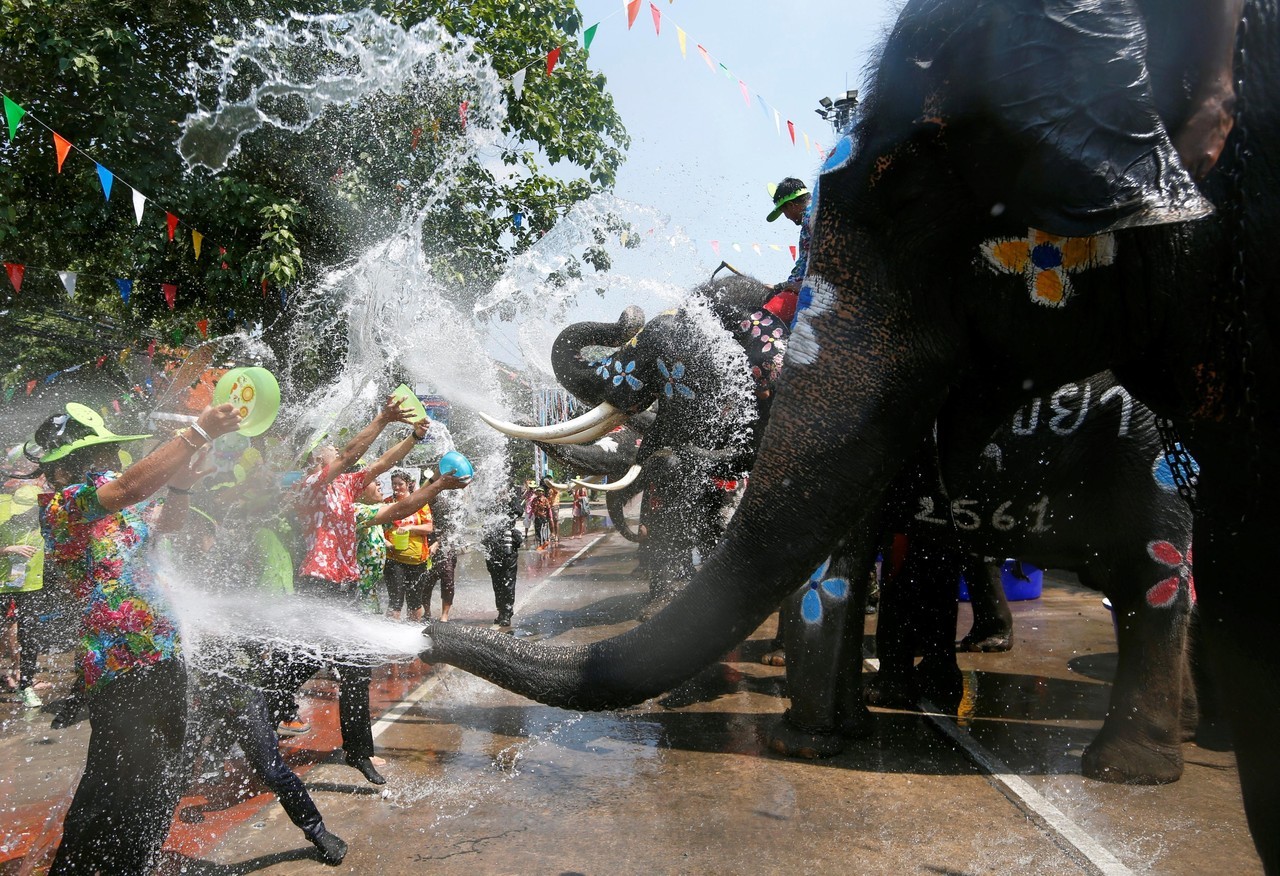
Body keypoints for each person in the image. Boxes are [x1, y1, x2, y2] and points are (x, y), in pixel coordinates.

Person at [30, 400, 241, 876]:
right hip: (118, 664)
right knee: (111, 781)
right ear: (67, 467)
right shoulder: (62, 508)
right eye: (94, 459)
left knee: (161, 777)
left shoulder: (116, 510)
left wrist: (184, 485)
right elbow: (129, 487)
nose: (106, 466)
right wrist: (198, 432)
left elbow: (167, 523)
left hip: (163, 654)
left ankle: (135, 863)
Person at [271, 399, 423, 785]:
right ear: (315, 461)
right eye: (332, 451)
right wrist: (382, 418)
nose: (340, 453)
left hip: (347, 587)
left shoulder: (345, 486)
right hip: (317, 587)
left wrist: (413, 437)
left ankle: (359, 753)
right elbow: (357, 452)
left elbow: (378, 464)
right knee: (300, 664)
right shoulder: (310, 487)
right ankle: (256, 719)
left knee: (356, 670)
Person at [2, 484, 49, 709]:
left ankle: (26, 684)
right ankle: (8, 675)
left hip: (31, 585)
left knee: (30, 636)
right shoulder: (3, 520)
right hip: (3, 585)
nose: (21, 514)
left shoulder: (44, 521)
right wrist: (8, 549)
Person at [382, 470, 433, 621]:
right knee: (395, 601)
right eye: (394, 484)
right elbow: (378, 527)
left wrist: (411, 528)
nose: (397, 488)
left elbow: (429, 528)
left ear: (409, 484)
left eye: (400, 484)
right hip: (394, 558)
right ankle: (391, 633)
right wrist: (385, 542)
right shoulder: (387, 503)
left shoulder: (419, 503)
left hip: (418, 559)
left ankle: (412, 631)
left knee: (415, 601)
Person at [762, 176, 812, 326]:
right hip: (802, 289)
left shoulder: (812, 218)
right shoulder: (814, 216)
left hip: (808, 294)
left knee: (762, 322)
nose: (787, 217)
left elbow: (829, 256)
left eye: (784, 212)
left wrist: (804, 285)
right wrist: (780, 286)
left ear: (791, 205)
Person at [482, 499, 524, 628]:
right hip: (492, 547)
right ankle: (501, 611)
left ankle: (506, 613)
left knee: (508, 582)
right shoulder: (489, 498)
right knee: (497, 582)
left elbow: (519, 511)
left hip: (508, 548)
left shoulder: (510, 499)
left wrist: (508, 497)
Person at [422, 488, 458, 622]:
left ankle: (444, 615)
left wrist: (438, 543)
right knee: (425, 582)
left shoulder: (443, 505)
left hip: (445, 548)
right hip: (425, 548)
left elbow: (452, 528)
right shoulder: (421, 505)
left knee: (447, 581)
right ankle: (426, 612)